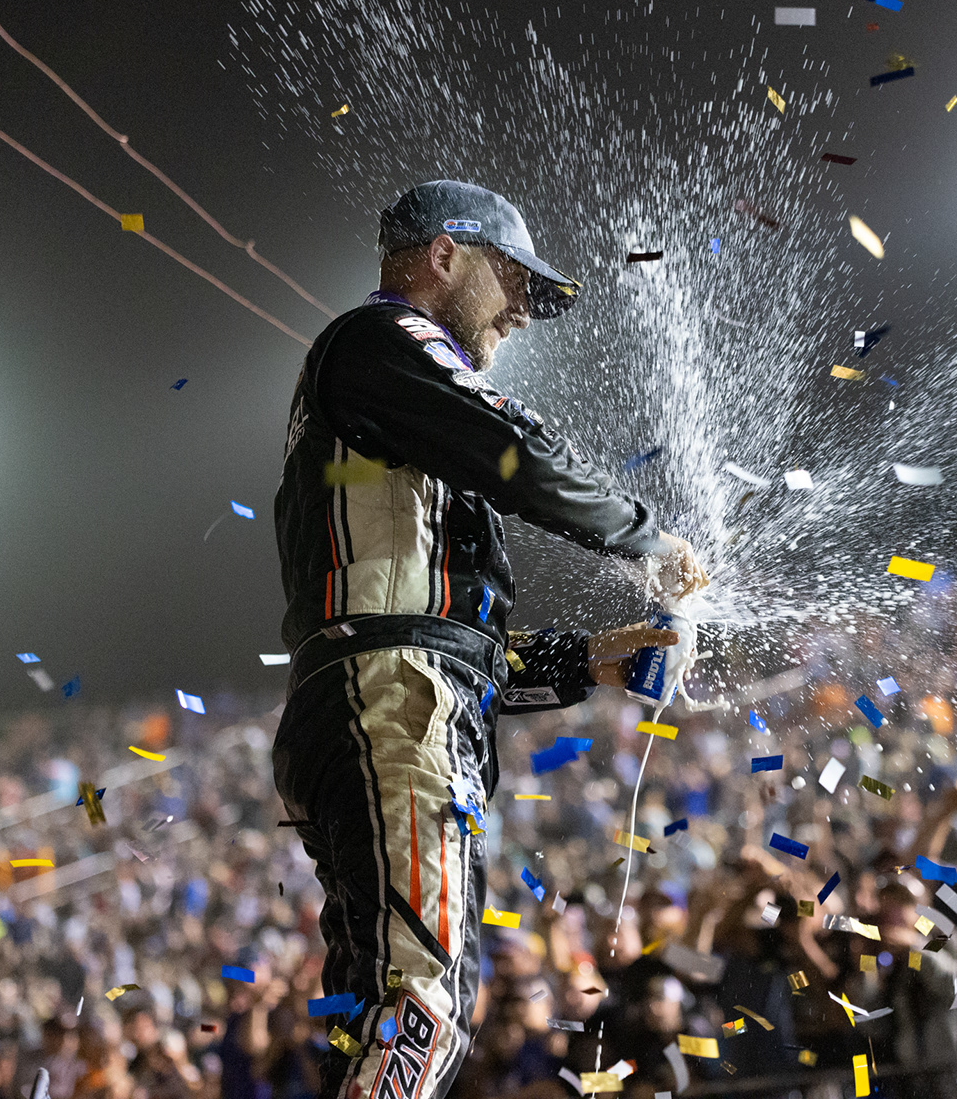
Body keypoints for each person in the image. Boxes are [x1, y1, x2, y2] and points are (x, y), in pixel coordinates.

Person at [270, 180, 708, 1099]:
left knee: (373, 1017)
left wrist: (594, 659)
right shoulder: (381, 339)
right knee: (423, 1006)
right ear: (443, 255)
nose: (519, 310)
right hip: (388, 704)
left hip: (379, 699)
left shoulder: (387, 407)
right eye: (511, 277)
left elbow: (450, 638)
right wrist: (647, 537)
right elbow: (513, 455)